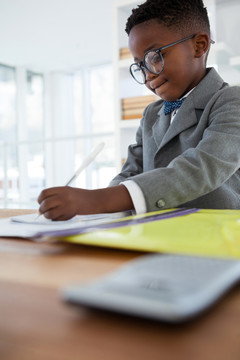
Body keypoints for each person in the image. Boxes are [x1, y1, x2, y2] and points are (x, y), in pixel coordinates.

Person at [38, 0, 240, 220]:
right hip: (155, 235)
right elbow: (131, 172)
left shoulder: (231, 100)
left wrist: (97, 200)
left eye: (154, 57)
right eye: (140, 66)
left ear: (199, 45)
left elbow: (202, 169)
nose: (149, 75)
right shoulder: (151, 114)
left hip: (217, 239)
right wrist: (96, 211)